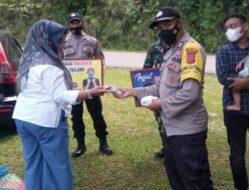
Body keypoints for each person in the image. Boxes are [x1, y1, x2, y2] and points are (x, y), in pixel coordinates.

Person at [113, 6, 213, 189]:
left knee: (194, 180)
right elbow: (161, 86)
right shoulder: (171, 51)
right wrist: (132, 92)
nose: (163, 30)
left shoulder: (190, 50)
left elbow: (190, 92)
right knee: (175, 176)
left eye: (168, 24)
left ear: (179, 23)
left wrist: (160, 104)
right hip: (171, 128)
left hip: (187, 130)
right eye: (159, 27)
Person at [12, 20, 107, 190]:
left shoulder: (29, 61)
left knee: (33, 165)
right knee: (59, 168)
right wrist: (91, 92)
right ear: (49, 40)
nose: (63, 45)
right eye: (61, 41)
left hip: (23, 120)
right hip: (46, 123)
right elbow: (61, 96)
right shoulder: (50, 66)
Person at [63, 12, 112, 158]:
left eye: (77, 22)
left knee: (97, 115)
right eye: (72, 22)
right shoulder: (63, 42)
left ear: (82, 22)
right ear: (68, 24)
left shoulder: (92, 41)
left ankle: (103, 142)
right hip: (74, 88)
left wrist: (100, 77)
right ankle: (80, 145)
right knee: (76, 117)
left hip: (92, 86)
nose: (75, 25)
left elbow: (101, 60)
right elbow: (59, 63)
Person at [216, 13, 249, 190]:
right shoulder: (223, 51)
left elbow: (234, 79)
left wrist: (245, 82)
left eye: (233, 26)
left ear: (244, 27)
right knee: (237, 155)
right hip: (234, 110)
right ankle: (241, 187)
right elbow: (223, 78)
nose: (230, 31)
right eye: (226, 28)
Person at [143, 40, 169, 158]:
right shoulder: (153, 47)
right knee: (160, 122)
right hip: (157, 90)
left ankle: (174, 151)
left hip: (174, 91)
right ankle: (166, 149)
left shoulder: (181, 47)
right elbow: (146, 70)